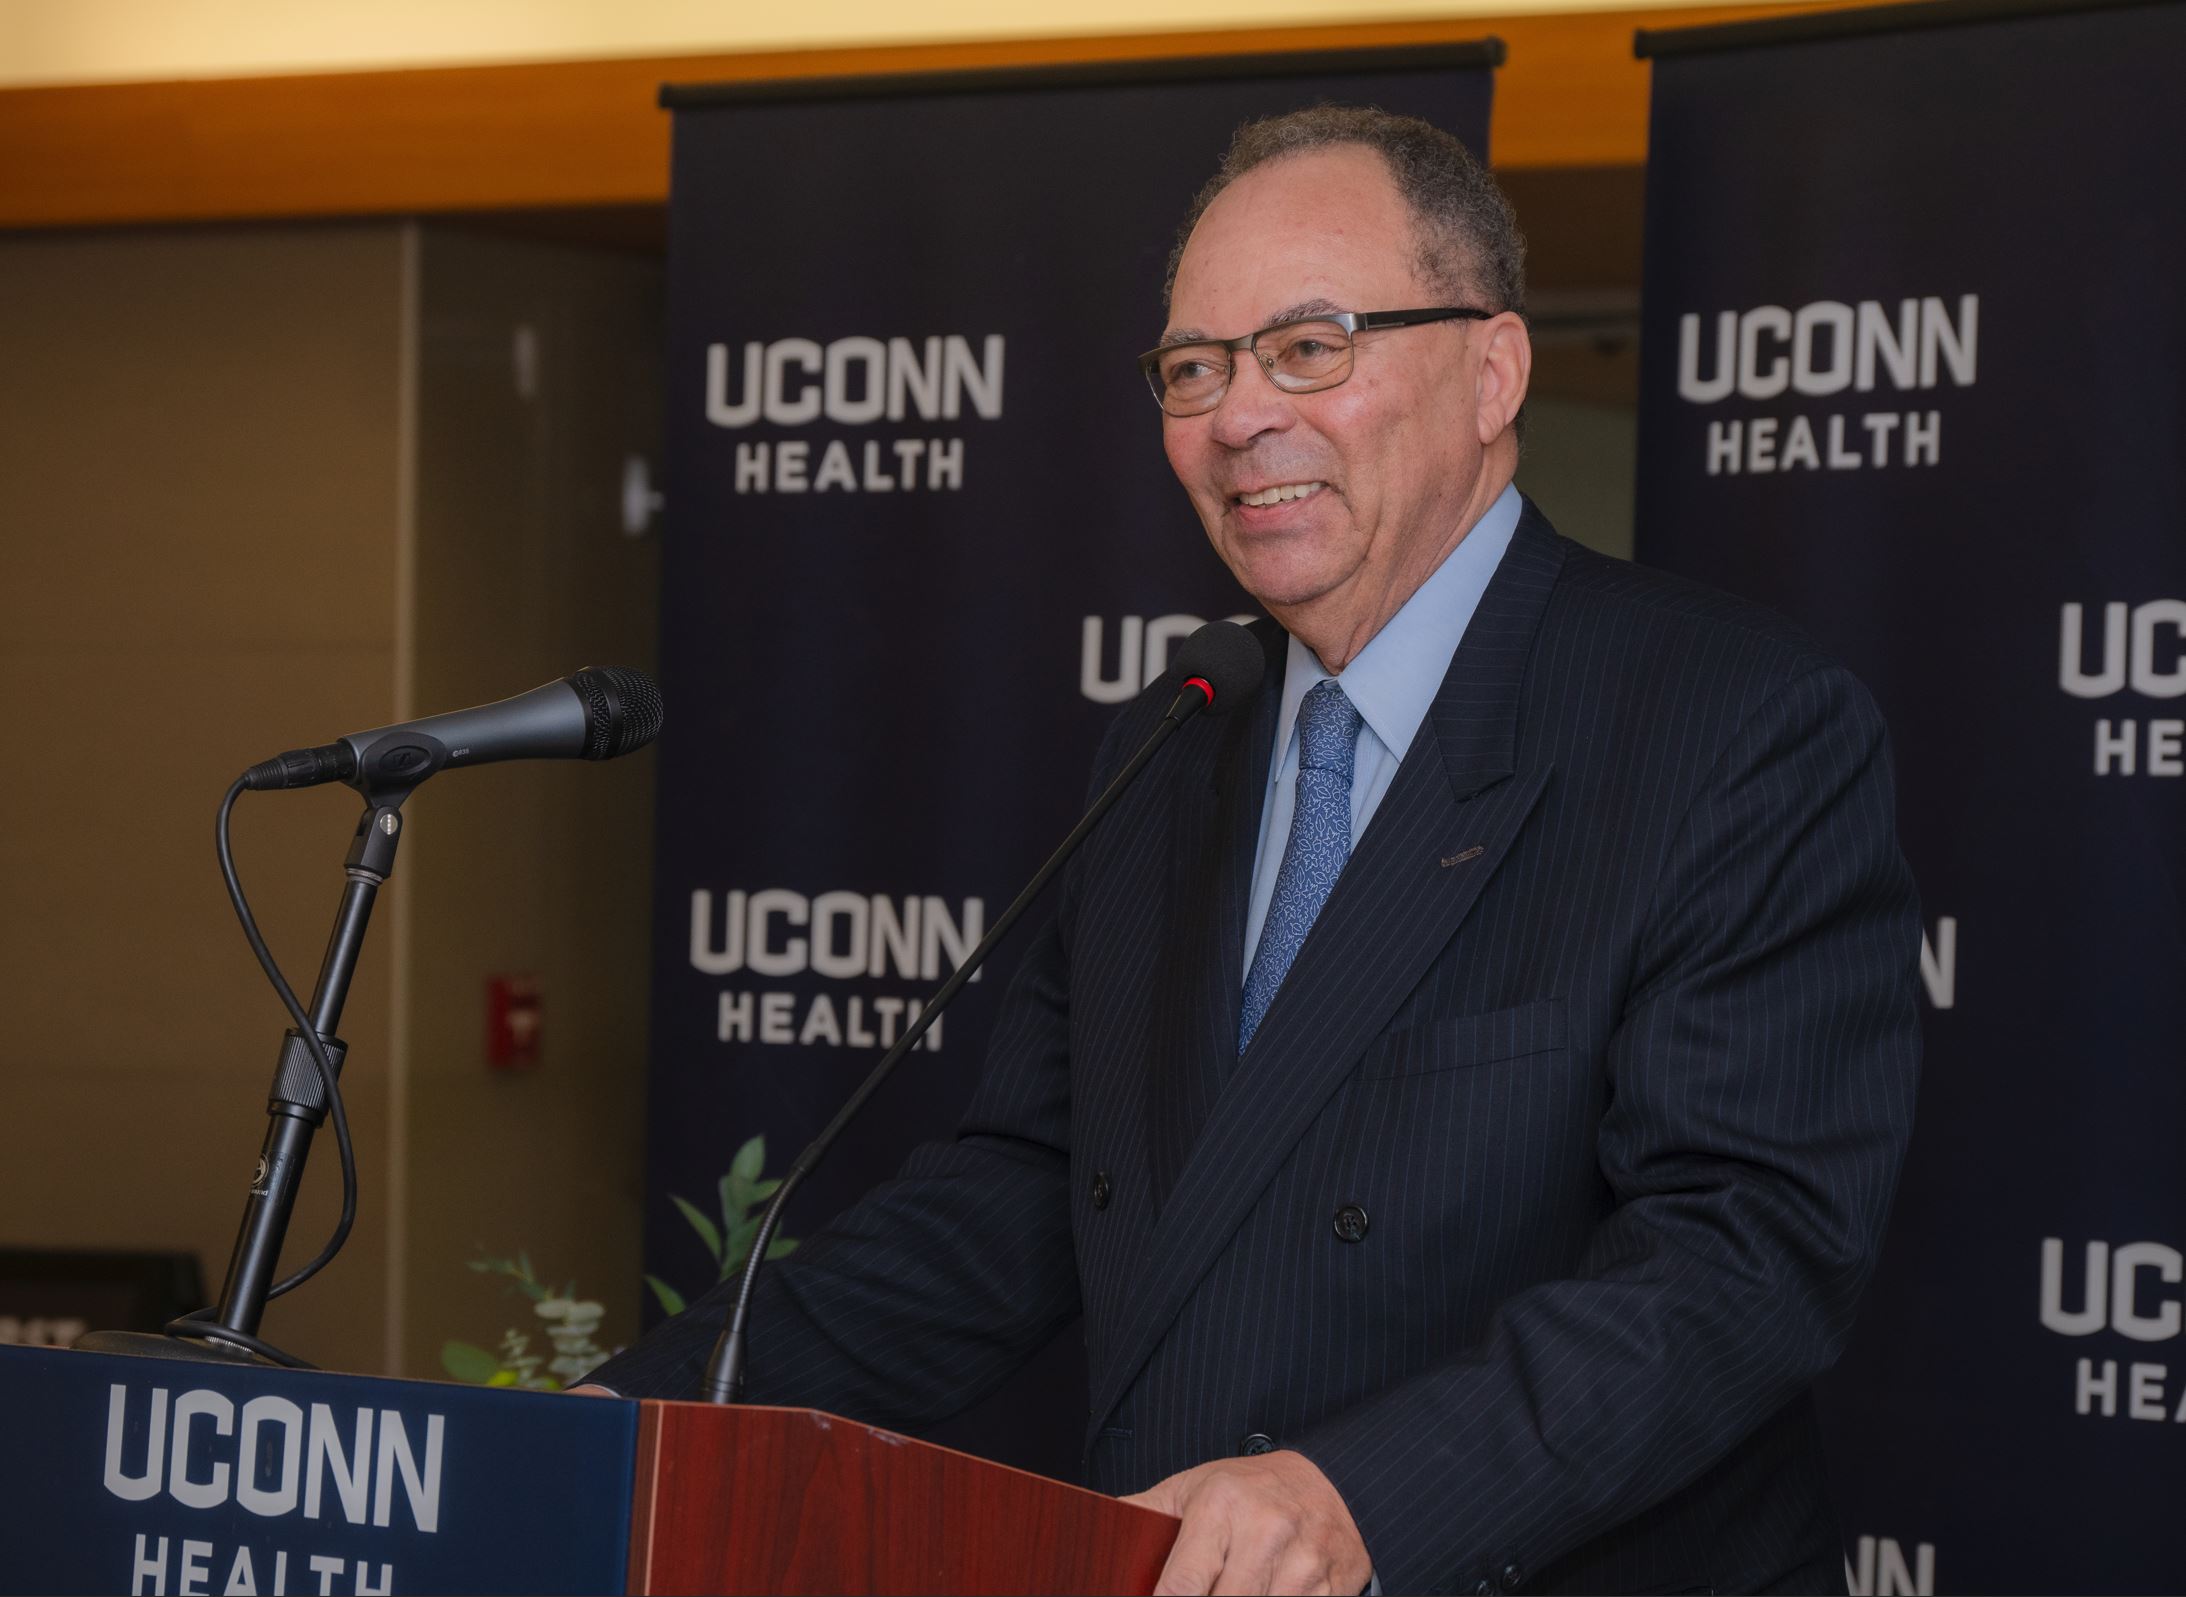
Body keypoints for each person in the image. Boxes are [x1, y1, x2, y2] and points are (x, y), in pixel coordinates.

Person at [582, 107, 1921, 1596]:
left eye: (1307, 347)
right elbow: (1023, 1195)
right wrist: (631, 1418)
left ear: (1492, 371)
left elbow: (1744, 1256)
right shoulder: (1175, 736)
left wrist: (1361, 1496)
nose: (1235, 415)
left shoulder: (1731, 725)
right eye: (1192, 366)